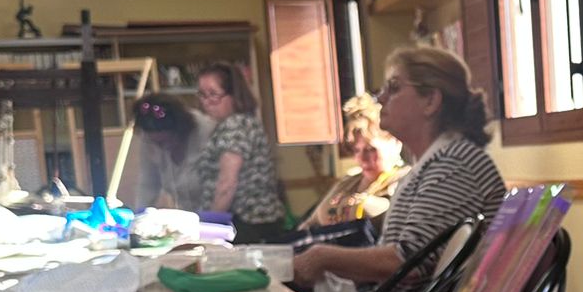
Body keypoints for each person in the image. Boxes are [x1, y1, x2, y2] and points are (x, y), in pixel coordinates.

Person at [291, 46, 505, 292]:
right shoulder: (434, 163)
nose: (381, 97)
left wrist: (323, 257)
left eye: (393, 88)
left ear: (430, 101)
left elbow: (409, 263)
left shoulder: (454, 164)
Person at [192, 62, 288, 242]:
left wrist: (210, 229)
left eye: (213, 94)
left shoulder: (235, 126)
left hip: (246, 223)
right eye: (202, 95)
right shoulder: (240, 123)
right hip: (253, 222)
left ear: (233, 95)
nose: (206, 102)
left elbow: (227, 184)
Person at [305, 94, 405, 228]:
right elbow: (310, 223)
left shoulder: (406, 181)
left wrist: (361, 204)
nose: (362, 158)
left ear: (396, 142)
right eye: (356, 150)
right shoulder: (348, 181)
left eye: (370, 149)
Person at [128, 94, 215, 211]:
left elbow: (223, 185)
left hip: (218, 212)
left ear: (180, 130)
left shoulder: (207, 132)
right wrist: (139, 215)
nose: (162, 147)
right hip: (188, 213)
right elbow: (148, 184)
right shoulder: (148, 138)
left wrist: (213, 217)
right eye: (156, 143)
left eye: (166, 141)